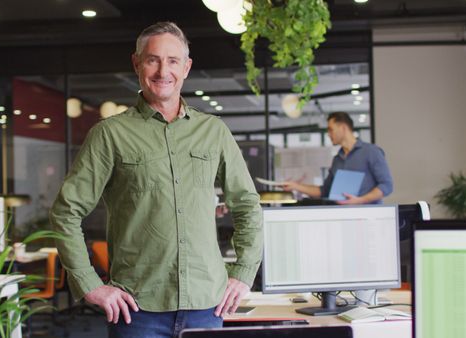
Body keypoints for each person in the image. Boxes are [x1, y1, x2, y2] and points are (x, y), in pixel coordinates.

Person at [50, 22, 263, 338]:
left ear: (186, 68)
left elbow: (246, 204)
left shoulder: (213, 131)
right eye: (152, 59)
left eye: (173, 60)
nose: (163, 70)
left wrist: (244, 272)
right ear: (136, 63)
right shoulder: (110, 135)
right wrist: (90, 284)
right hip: (138, 311)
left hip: (207, 305)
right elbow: (66, 212)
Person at [282, 112, 393, 204]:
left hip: (369, 218)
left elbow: (386, 186)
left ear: (343, 128)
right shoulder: (337, 160)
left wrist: (360, 200)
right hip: (343, 218)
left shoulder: (371, 152)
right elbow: (324, 191)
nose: (328, 134)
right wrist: (295, 186)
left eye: (331, 129)